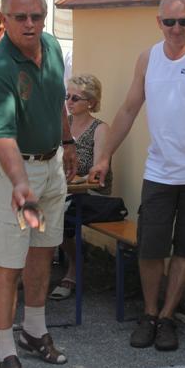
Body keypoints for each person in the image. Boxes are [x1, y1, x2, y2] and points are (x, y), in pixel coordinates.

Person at [90, 0, 185, 352]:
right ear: (159, 22)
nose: (176, 29)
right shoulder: (148, 59)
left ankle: (168, 317)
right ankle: (150, 314)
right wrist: (105, 155)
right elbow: (127, 110)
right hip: (159, 172)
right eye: (169, 22)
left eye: (183, 22)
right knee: (150, 248)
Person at [0, 0, 77, 368]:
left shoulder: (52, 46)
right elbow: (1, 134)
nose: (30, 24)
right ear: (4, 20)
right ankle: (6, 351)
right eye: (20, 17)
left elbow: (58, 100)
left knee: (44, 253)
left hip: (52, 164)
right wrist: (21, 183)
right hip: (14, 172)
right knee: (9, 264)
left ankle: (34, 330)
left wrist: (69, 141)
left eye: (37, 16)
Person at [49, 74, 112, 300]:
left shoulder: (100, 129)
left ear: (92, 103)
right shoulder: (63, 124)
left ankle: (74, 267)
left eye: (76, 98)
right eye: (67, 97)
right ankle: (31, 268)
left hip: (88, 193)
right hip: (61, 190)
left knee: (56, 217)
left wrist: (75, 181)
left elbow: (98, 172)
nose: (69, 102)